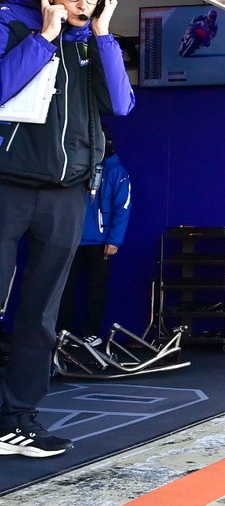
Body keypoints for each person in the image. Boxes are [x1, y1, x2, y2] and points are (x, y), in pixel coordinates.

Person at [0, 0, 135, 458]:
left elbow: (120, 104)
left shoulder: (90, 45)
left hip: (66, 195)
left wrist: (102, 36)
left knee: (39, 315)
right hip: (7, 187)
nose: (84, 3)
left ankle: (18, 419)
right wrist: (43, 38)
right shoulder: (12, 26)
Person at [58, 124, 133, 344]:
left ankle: (91, 332)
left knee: (96, 289)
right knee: (65, 288)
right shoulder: (75, 168)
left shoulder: (117, 171)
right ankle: (64, 332)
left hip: (100, 241)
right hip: (72, 239)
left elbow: (123, 207)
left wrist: (114, 240)